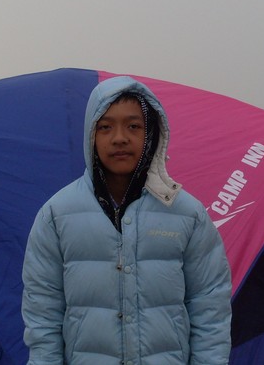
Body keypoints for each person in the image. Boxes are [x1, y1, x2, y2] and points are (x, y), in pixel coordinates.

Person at [21, 76, 232, 364]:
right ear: (91, 135)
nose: (119, 138)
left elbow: (210, 308)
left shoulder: (187, 214)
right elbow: (43, 314)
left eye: (133, 126)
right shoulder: (56, 216)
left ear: (151, 133)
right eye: (105, 127)